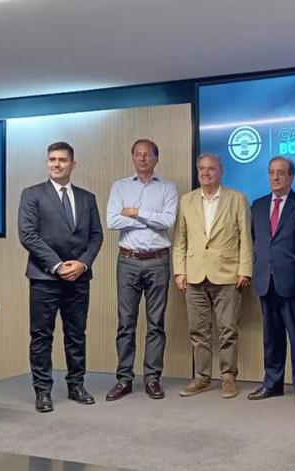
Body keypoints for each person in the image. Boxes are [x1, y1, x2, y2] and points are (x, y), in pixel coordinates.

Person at [18, 141, 103, 412]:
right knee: (41, 336)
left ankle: (76, 385)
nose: (56, 164)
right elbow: (28, 234)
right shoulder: (32, 194)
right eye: (52, 159)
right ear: (47, 162)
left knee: (76, 335)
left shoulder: (87, 198)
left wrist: (83, 264)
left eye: (62, 160)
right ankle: (43, 391)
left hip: (79, 277)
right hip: (44, 277)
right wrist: (57, 265)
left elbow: (96, 236)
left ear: (72, 164)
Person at [173, 153, 253, 399]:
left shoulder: (237, 199)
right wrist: (179, 271)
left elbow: (245, 238)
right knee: (198, 331)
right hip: (194, 275)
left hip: (228, 275)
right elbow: (180, 239)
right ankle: (202, 378)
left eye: (211, 169)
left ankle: (228, 378)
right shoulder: (186, 200)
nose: (205, 173)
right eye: (202, 169)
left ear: (221, 172)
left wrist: (244, 269)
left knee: (228, 329)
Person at [105, 139, 178, 401]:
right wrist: (147, 219)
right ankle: (124, 379)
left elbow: (167, 221)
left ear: (156, 158)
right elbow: (112, 220)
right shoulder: (120, 186)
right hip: (128, 260)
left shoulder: (168, 187)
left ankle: (152, 378)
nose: (142, 158)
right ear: (133, 158)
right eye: (138, 154)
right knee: (126, 322)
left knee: (156, 323)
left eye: (147, 154)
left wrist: (135, 213)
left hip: (158, 261)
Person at [248, 157, 295, 405]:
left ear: (291, 176)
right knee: (271, 336)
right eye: (272, 173)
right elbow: (256, 240)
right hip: (266, 280)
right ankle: (272, 383)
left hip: (293, 280)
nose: (275, 177)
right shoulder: (258, 206)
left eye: (281, 173)